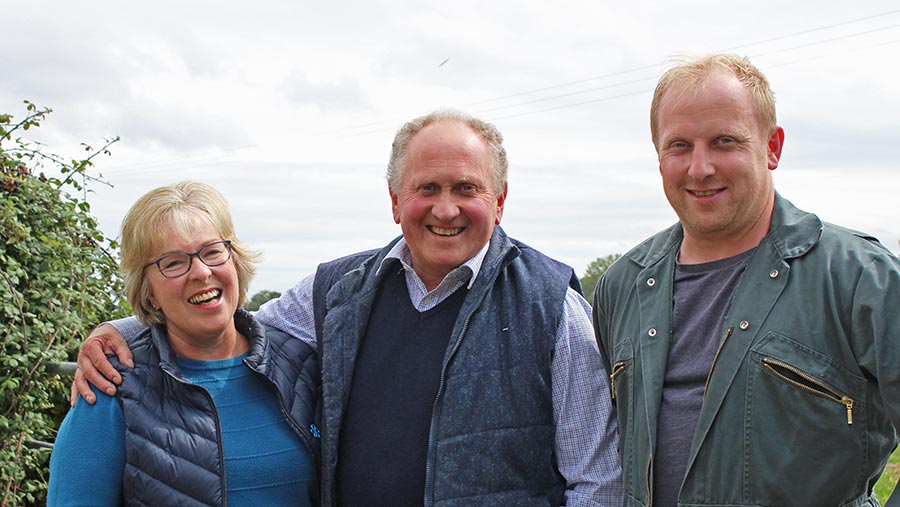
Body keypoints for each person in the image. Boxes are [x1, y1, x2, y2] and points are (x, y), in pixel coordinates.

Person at [72, 110, 624, 506]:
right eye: (426, 187)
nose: (446, 208)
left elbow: (596, 482)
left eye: (467, 187)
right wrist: (122, 330)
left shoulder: (555, 307)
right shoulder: (334, 292)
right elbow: (227, 331)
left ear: (499, 199)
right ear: (394, 200)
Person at [593, 53, 900, 507]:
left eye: (724, 141)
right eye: (679, 145)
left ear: (772, 147)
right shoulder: (622, 286)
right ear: (659, 157)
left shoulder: (859, 279)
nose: (700, 168)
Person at [49, 182, 319, 506]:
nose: (202, 272)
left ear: (234, 260)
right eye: (173, 263)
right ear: (148, 291)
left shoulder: (303, 366)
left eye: (213, 251)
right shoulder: (111, 384)